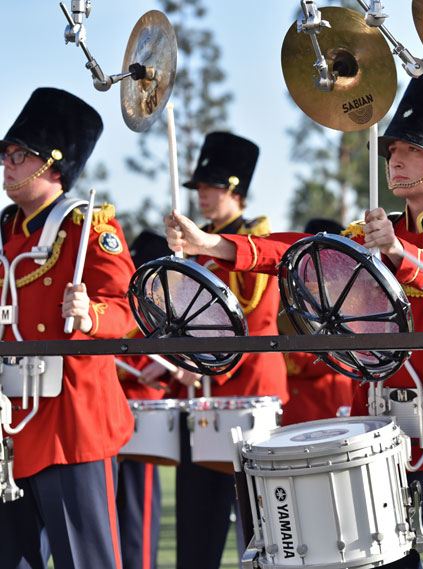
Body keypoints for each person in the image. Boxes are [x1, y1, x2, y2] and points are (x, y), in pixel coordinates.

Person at [164, 71, 423, 569]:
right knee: (381, 553)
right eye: (392, 148)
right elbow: (293, 253)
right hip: (383, 410)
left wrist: (399, 252)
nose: (394, 157)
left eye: (411, 148)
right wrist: (211, 245)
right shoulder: (373, 231)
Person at [0, 87, 136, 568]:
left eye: (20, 155)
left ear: (53, 167)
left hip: (70, 424)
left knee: (86, 562)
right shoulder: (6, 232)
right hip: (11, 424)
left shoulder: (87, 228)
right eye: (7, 155)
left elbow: (131, 312)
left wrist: (91, 315)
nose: (8, 165)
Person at [173, 131, 288, 569]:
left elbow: (254, 319)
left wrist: (205, 369)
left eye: (212, 186)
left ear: (235, 190)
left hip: (246, 390)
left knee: (260, 527)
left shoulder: (254, 239)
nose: (203, 195)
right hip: (203, 394)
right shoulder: (193, 249)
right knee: (197, 522)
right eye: (200, 187)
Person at [115, 229, 175, 569]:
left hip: (146, 412)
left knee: (140, 509)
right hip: (114, 408)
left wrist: (162, 369)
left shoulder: (165, 303)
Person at [280, 217, 354, 425]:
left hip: (331, 400)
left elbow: (347, 353)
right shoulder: (292, 288)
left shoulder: (347, 290)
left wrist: (293, 360)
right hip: (297, 402)